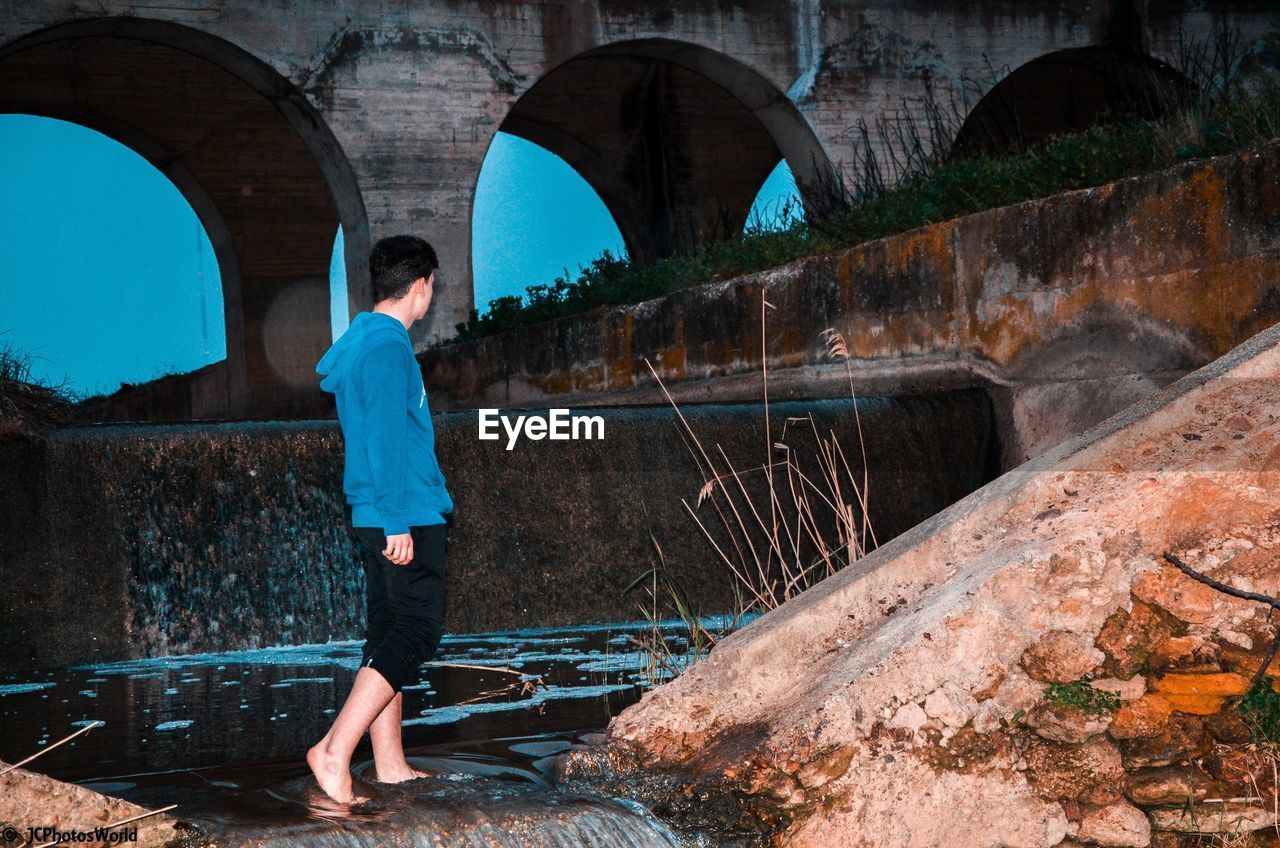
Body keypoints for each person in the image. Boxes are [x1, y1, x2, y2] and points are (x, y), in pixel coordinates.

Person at [308, 235, 454, 805]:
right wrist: (398, 521)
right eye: (432, 286)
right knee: (418, 631)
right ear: (421, 285)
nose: (431, 295)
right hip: (403, 513)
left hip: (377, 511)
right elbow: (386, 440)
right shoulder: (389, 348)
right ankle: (334, 751)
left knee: (388, 633)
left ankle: (389, 765)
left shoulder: (362, 343)